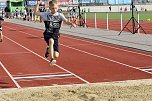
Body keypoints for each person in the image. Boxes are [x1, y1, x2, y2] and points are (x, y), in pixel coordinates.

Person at [35, 0, 76, 65]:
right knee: (51, 41)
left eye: (56, 8)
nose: (54, 10)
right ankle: (52, 59)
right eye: (53, 8)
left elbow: (66, 21)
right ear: (50, 8)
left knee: (56, 55)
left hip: (55, 35)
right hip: (47, 34)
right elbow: (36, 13)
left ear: (58, 7)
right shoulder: (46, 14)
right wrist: (37, 4)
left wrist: (71, 23)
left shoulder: (60, 15)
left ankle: (48, 50)